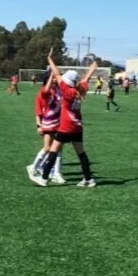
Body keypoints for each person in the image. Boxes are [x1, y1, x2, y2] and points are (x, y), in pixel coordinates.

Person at [30, 50, 98, 188]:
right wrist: (92, 69)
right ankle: (88, 179)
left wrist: (50, 59)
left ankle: (44, 179)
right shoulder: (80, 89)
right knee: (81, 153)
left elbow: (56, 73)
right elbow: (85, 79)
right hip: (78, 127)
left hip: (66, 127)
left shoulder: (66, 91)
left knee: (53, 151)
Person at [27, 69, 65, 184]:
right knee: (48, 148)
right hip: (47, 124)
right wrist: (38, 125)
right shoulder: (43, 93)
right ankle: (35, 167)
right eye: (52, 78)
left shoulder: (58, 90)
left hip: (58, 123)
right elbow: (38, 111)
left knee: (58, 148)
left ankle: (56, 172)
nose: (55, 80)